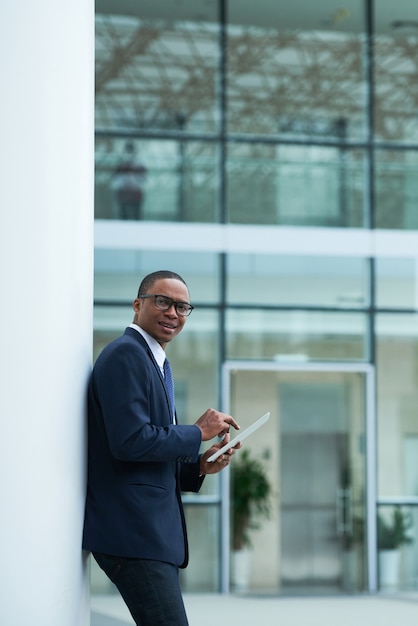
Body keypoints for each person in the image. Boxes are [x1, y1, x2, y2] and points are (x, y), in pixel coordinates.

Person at [83, 270, 240, 626]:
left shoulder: (154, 362)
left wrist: (198, 466)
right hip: (134, 534)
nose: (173, 312)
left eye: (183, 307)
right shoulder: (127, 355)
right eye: (163, 302)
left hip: (146, 535)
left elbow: (145, 450)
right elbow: (130, 441)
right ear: (138, 305)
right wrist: (196, 432)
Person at [111, 141, 147, 220]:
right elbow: (115, 178)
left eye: (131, 150)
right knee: (123, 217)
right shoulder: (120, 164)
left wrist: (134, 182)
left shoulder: (139, 164)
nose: (129, 153)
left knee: (136, 217)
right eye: (128, 150)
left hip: (135, 195)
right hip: (123, 195)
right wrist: (124, 183)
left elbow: (144, 178)